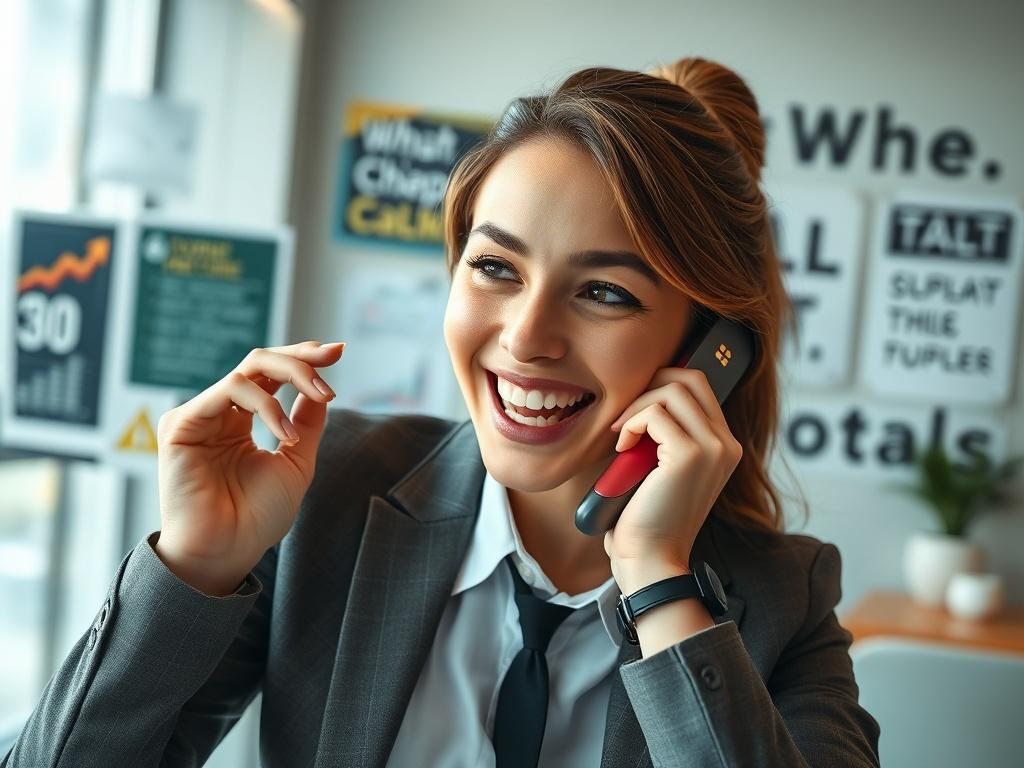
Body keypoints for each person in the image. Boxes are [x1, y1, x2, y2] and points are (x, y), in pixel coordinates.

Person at [3, 57, 881, 767]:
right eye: (495, 268)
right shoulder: (325, 499)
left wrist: (659, 582)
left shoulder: (782, 601)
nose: (525, 338)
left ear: (712, 351)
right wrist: (193, 567)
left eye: (604, 292)